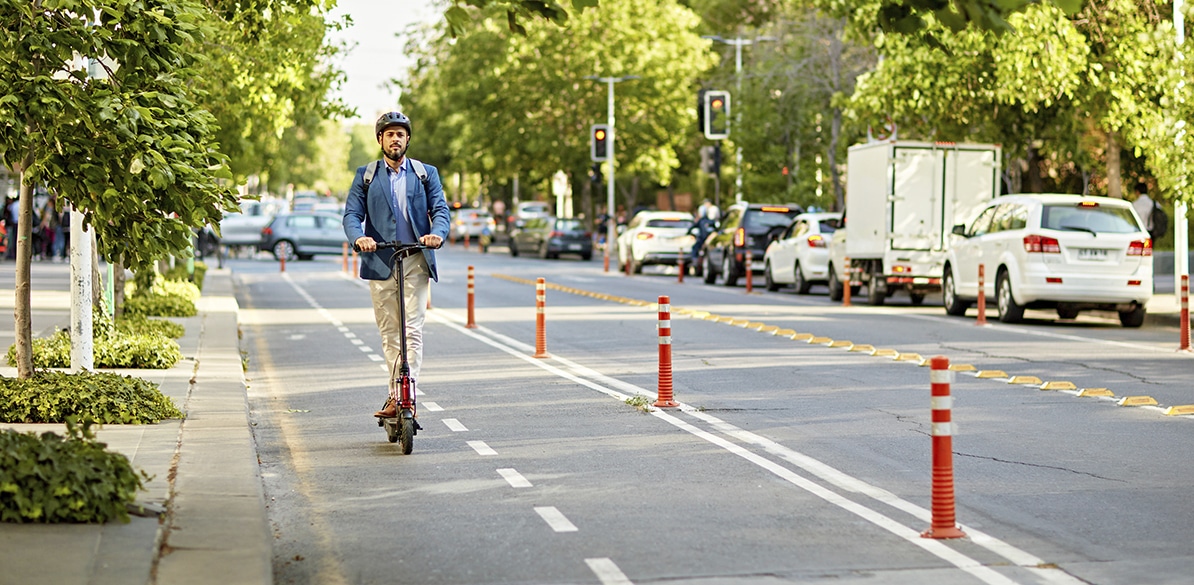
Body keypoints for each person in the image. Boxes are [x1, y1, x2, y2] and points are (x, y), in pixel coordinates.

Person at [343, 111, 451, 418]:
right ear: (380, 140)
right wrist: (359, 237)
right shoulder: (366, 175)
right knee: (391, 331)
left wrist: (437, 234)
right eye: (389, 134)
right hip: (381, 260)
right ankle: (394, 393)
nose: (395, 139)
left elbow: (440, 210)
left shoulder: (425, 173)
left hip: (416, 258)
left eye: (400, 134)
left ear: (407, 140)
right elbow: (352, 214)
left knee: (413, 329)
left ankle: (409, 394)